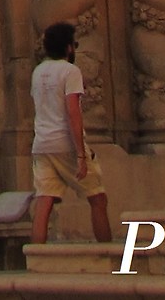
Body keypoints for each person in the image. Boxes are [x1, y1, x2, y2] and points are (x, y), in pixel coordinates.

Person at [29, 21, 112, 245]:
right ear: (68, 48)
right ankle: (109, 254)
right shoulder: (70, 71)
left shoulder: (38, 72)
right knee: (97, 198)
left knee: (44, 202)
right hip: (65, 142)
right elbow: (73, 112)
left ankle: (37, 258)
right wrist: (81, 156)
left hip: (42, 144)